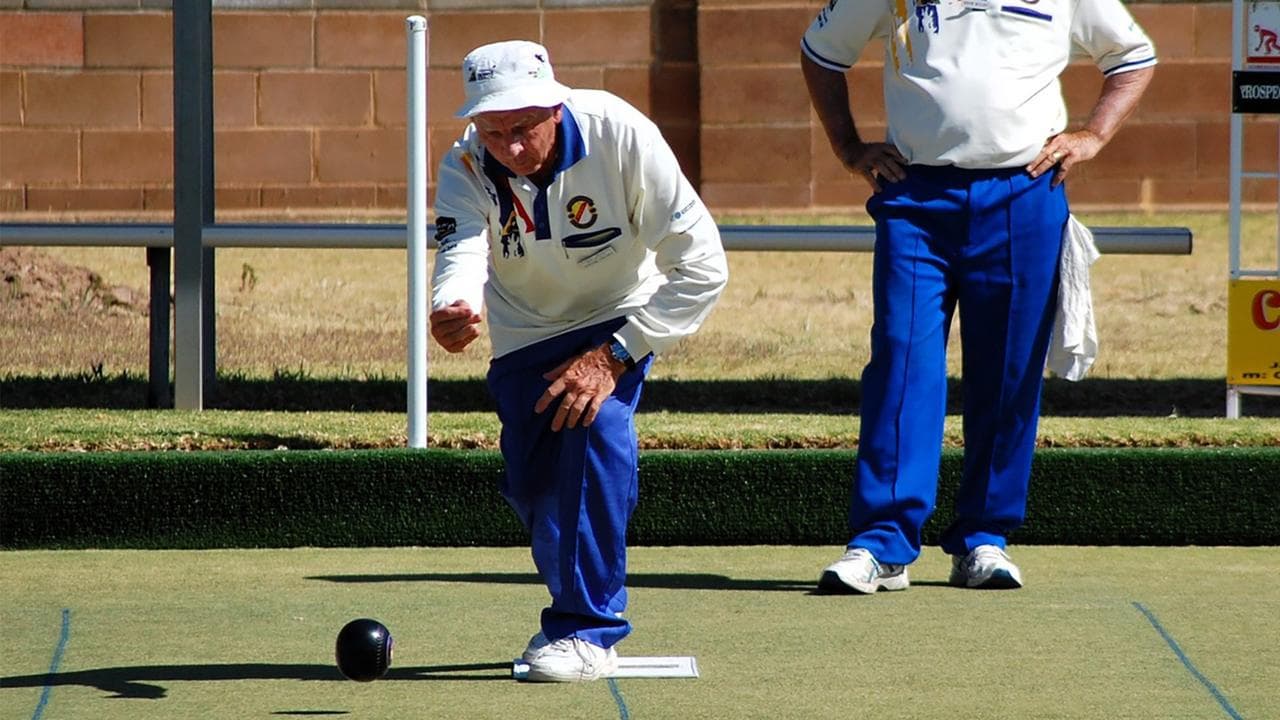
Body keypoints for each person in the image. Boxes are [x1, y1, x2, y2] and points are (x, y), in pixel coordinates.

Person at [801, 0, 1155, 593]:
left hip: (1026, 190)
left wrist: (1093, 134)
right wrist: (848, 148)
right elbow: (821, 52)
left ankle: (983, 540)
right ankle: (883, 545)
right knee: (901, 359)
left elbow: (1133, 56)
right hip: (916, 194)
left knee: (1009, 371)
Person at [429, 40, 728, 680]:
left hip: (619, 313)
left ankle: (587, 631)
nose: (507, 146)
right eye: (492, 129)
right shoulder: (465, 163)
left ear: (555, 109)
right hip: (525, 329)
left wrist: (618, 355)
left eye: (521, 128)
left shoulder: (622, 136)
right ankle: (579, 590)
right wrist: (451, 307)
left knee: (594, 429)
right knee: (535, 484)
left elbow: (703, 266)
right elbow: (459, 250)